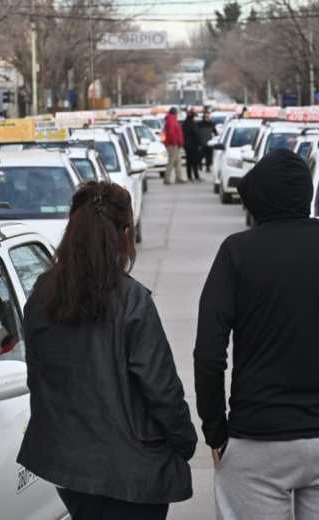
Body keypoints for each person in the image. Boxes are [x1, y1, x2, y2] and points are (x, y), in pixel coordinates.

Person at [194, 149, 319, 520]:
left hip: (256, 439)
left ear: (257, 198)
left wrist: (215, 429)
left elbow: (209, 353)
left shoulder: (237, 253)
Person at [18, 181, 197, 520]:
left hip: (69, 468)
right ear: (125, 232)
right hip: (133, 472)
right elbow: (161, 388)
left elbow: (38, 377)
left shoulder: (42, 293)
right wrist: (184, 441)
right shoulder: (131, 300)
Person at [162, 107, 185, 185]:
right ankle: (167, 179)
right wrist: (175, 143)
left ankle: (178, 177)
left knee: (178, 161)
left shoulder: (171, 119)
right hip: (173, 145)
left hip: (174, 144)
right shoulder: (171, 120)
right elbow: (172, 133)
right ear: (175, 113)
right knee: (172, 161)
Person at [182, 111, 203, 182]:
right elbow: (196, 135)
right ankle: (196, 176)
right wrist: (200, 143)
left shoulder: (184, 124)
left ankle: (189, 176)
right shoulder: (192, 124)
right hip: (193, 145)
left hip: (187, 145)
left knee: (188, 161)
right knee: (194, 162)